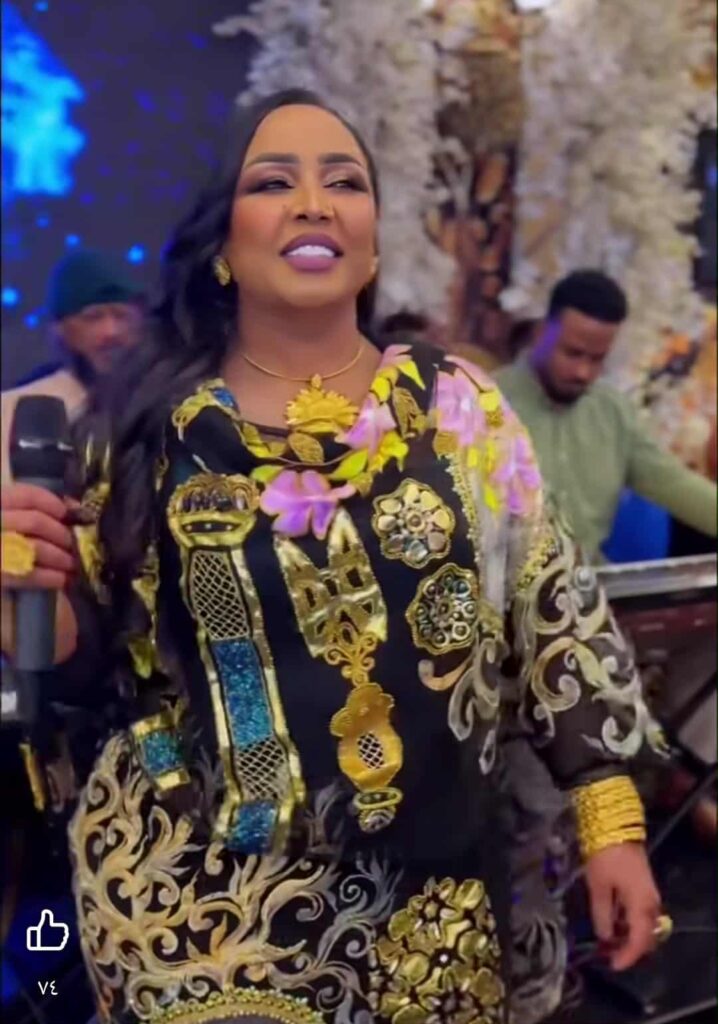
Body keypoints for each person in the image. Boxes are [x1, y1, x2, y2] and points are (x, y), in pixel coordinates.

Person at [1, 91, 667, 1024]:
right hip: (205, 917)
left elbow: (550, 607)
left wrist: (611, 824)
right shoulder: (145, 429)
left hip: (431, 914)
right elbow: (99, 662)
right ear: (222, 243)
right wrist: (19, 594)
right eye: (275, 183)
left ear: (374, 242)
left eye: (345, 182)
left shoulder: (456, 408)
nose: (314, 202)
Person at [495, 270, 718, 564]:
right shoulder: (482, 405)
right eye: (573, 354)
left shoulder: (612, 412)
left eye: (597, 358)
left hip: (589, 584)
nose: (583, 372)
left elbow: (675, 484)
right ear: (541, 334)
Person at [1, 247, 144, 484]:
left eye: (122, 316)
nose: (111, 332)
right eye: (93, 317)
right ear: (60, 328)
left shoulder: (164, 407)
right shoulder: (12, 410)